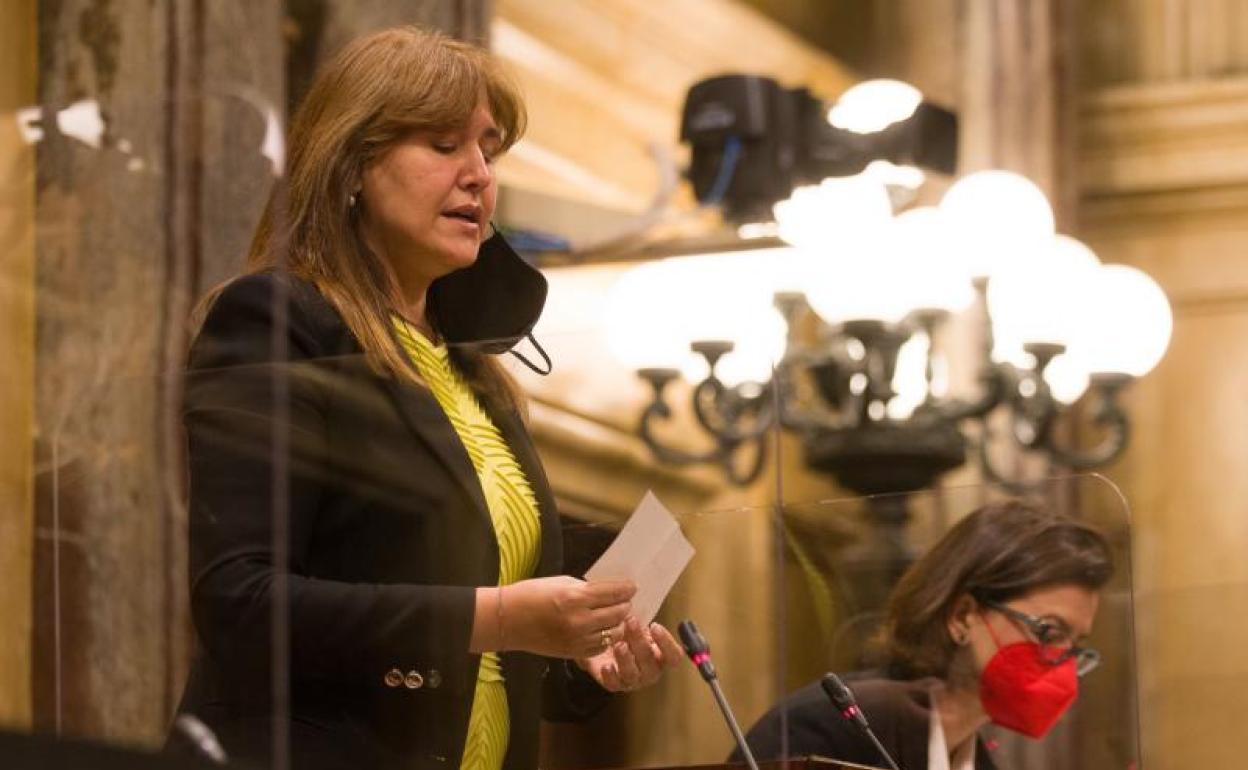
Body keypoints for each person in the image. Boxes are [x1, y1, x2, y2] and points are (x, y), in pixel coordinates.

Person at [172, 26, 682, 770]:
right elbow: (240, 602)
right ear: (352, 165)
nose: (478, 175)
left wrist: (580, 657)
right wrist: (497, 616)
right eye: (444, 145)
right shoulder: (279, 321)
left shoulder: (480, 378)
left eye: (489, 151)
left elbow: (487, 652)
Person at [737, 500, 1114, 770]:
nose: (1063, 662)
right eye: (1049, 631)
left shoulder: (978, 758)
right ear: (963, 616)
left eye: (1076, 646)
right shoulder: (830, 727)